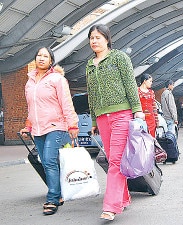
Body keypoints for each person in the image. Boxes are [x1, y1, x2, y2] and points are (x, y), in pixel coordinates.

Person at [86, 24, 144, 221]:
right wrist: (93, 119)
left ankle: (110, 206)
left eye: (98, 37)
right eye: (91, 38)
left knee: (117, 161)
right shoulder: (89, 64)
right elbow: (92, 94)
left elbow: (130, 84)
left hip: (122, 114)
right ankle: (124, 198)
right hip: (102, 118)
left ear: (107, 40)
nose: (94, 41)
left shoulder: (119, 57)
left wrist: (137, 110)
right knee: (113, 161)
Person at [19, 47, 79, 215]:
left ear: (51, 61)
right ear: (35, 59)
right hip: (38, 129)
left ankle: (52, 198)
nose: (42, 58)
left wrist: (72, 124)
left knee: (49, 160)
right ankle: (59, 193)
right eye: (39, 55)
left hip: (56, 126)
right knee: (47, 162)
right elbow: (31, 107)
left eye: (46, 56)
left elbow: (66, 103)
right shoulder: (30, 82)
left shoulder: (57, 79)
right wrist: (28, 126)